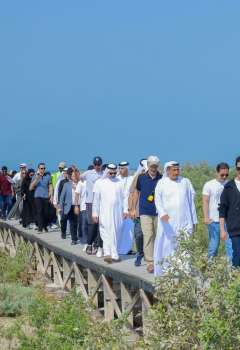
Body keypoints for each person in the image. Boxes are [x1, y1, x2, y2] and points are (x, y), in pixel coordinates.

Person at [154, 161, 197, 277]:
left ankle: (185, 268)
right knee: (168, 245)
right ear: (167, 171)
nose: (176, 172)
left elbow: (190, 202)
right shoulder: (161, 183)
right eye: (174, 170)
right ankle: (168, 268)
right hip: (168, 222)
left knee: (185, 243)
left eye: (178, 170)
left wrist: (194, 221)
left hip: (185, 221)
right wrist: (162, 213)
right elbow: (157, 200)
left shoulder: (185, 182)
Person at [92, 164, 128, 263]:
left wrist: (125, 210)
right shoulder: (100, 183)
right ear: (106, 172)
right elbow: (96, 200)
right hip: (104, 213)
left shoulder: (120, 182)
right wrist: (95, 213)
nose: (112, 174)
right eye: (110, 173)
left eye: (114, 173)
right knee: (105, 232)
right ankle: (110, 254)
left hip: (117, 213)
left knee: (116, 232)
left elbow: (125, 198)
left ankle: (112, 252)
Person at [131, 156, 162, 273]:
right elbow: (136, 193)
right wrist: (133, 209)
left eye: (155, 166)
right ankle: (150, 262)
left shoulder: (162, 178)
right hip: (144, 211)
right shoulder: (141, 178)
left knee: (157, 236)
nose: (153, 168)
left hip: (158, 212)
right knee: (148, 235)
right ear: (148, 166)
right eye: (152, 166)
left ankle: (158, 259)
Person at [202, 162, 232, 260]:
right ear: (216, 172)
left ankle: (231, 269)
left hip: (228, 220)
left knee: (230, 245)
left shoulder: (230, 184)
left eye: (226, 175)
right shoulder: (209, 185)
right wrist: (206, 217)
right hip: (213, 219)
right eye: (222, 174)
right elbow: (205, 201)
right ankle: (211, 266)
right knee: (214, 246)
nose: (224, 176)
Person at [220, 156, 240, 267]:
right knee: (237, 255)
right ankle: (235, 282)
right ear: (236, 168)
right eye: (239, 168)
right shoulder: (228, 187)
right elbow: (222, 210)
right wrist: (222, 230)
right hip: (235, 228)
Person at [81, 156, 103, 255]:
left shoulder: (104, 174)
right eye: (96, 164)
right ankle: (89, 244)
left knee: (100, 225)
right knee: (92, 224)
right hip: (90, 201)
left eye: (99, 164)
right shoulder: (88, 173)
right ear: (94, 165)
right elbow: (79, 178)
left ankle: (97, 245)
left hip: (101, 202)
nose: (98, 166)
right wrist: (75, 172)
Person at [129, 158, 148, 266]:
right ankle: (140, 253)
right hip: (139, 211)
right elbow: (132, 193)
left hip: (151, 211)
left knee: (150, 235)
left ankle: (149, 256)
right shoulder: (138, 177)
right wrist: (131, 209)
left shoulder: (157, 176)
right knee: (139, 234)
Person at [30, 163, 53, 233]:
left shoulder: (48, 176)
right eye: (41, 168)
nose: (43, 170)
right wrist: (37, 179)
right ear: (38, 169)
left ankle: (45, 226)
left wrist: (51, 195)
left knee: (46, 213)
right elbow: (30, 188)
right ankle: (40, 228)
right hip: (38, 196)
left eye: (44, 168)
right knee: (39, 212)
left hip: (46, 196)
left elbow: (50, 186)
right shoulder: (34, 176)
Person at [117, 161, 134, 254]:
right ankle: (116, 249)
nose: (120, 170)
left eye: (122, 168)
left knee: (129, 229)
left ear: (127, 169)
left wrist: (128, 209)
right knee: (118, 228)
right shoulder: (116, 179)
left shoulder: (132, 179)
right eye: (119, 168)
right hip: (118, 209)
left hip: (128, 208)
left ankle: (126, 250)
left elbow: (132, 195)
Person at [59, 170, 80, 245]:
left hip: (78, 205)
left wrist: (77, 188)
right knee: (64, 220)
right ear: (71, 177)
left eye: (76, 176)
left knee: (74, 222)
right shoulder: (67, 184)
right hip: (68, 206)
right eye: (73, 176)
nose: (75, 177)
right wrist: (60, 206)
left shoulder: (81, 184)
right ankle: (63, 232)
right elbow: (62, 196)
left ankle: (74, 238)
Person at [75, 177, 88, 250]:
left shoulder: (96, 181)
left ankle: (92, 242)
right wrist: (76, 205)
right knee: (84, 225)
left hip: (94, 207)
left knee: (92, 226)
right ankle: (86, 242)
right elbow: (77, 194)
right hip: (84, 207)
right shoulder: (81, 182)